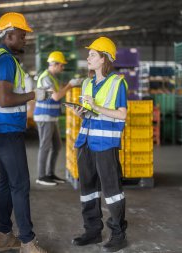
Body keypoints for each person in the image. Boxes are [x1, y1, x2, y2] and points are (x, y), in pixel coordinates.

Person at [0, 12, 50, 253]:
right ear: (9, 34)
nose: (25, 39)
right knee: (20, 184)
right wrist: (34, 95)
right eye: (22, 35)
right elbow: (4, 99)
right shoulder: (5, 60)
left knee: (6, 182)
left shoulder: (5, 58)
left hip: (2, 129)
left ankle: (3, 235)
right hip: (7, 129)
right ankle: (28, 242)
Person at [70, 37, 128, 252]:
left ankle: (118, 234)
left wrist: (96, 106)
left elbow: (122, 115)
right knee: (88, 190)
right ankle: (92, 231)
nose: (88, 58)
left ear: (104, 59)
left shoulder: (117, 82)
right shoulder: (87, 83)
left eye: (93, 54)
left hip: (105, 144)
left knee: (112, 192)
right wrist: (81, 113)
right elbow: (90, 113)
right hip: (85, 142)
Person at [33, 51, 77, 186]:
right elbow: (56, 96)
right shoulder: (46, 77)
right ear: (55, 64)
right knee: (45, 146)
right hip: (44, 116)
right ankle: (41, 176)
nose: (62, 68)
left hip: (51, 117)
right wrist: (70, 85)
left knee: (57, 146)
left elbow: (57, 94)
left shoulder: (52, 78)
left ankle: (50, 174)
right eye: (61, 65)